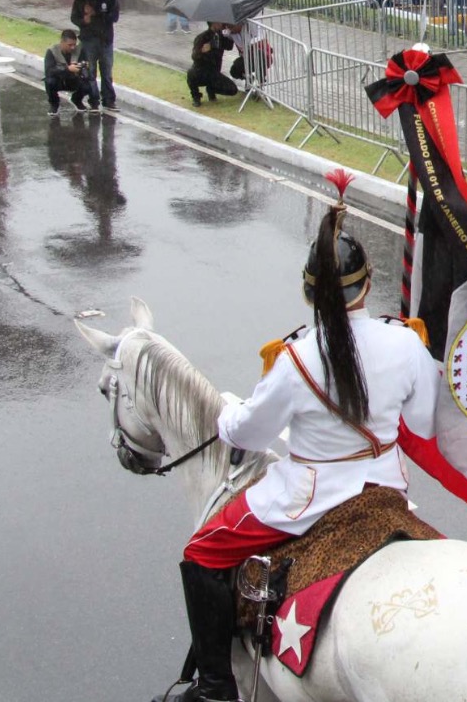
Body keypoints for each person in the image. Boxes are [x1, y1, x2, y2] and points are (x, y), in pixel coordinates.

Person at [171, 181, 440, 701]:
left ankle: (215, 688)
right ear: (368, 286)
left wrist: (226, 414)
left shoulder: (293, 359)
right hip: (386, 489)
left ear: (308, 292)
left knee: (200, 553)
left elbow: (249, 433)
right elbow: (425, 425)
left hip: (306, 501)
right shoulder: (407, 340)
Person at [70, 0, 120, 113]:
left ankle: (109, 100)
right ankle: (93, 101)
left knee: (107, 72)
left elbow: (114, 17)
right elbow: (74, 17)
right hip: (88, 41)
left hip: (105, 40)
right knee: (90, 72)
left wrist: (96, 13)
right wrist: (84, 20)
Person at [43, 29, 98, 115]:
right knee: (49, 81)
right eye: (70, 45)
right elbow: (49, 71)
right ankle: (54, 105)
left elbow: (85, 65)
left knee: (89, 83)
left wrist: (83, 67)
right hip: (59, 81)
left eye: (74, 45)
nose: (72, 47)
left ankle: (77, 99)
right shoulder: (52, 51)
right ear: (62, 42)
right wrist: (67, 69)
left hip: (73, 80)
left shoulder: (78, 50)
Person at [188, 23, 238, 106]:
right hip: (201, 71)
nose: (222, 24)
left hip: (214, 73)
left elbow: (229, 47)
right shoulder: (202, 37)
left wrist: (229, 34)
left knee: (232, 89)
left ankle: (211, 89)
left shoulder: (221, 36)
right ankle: (196, 96)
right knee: (191, 73)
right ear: (214, 23)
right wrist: (202, 52)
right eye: (219, 23)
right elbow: (194, 56)